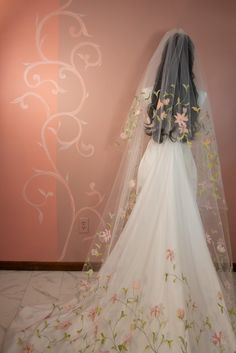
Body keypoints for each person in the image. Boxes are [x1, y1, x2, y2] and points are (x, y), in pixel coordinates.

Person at [3, 28, 236, 353]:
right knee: (180, 226)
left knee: (152, 222)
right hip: (182, 167)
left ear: (165, 59)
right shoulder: (198, 98)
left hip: (154, 162)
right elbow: (202, 145)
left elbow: (131, 135)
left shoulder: (149, 93)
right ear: (189, 60)